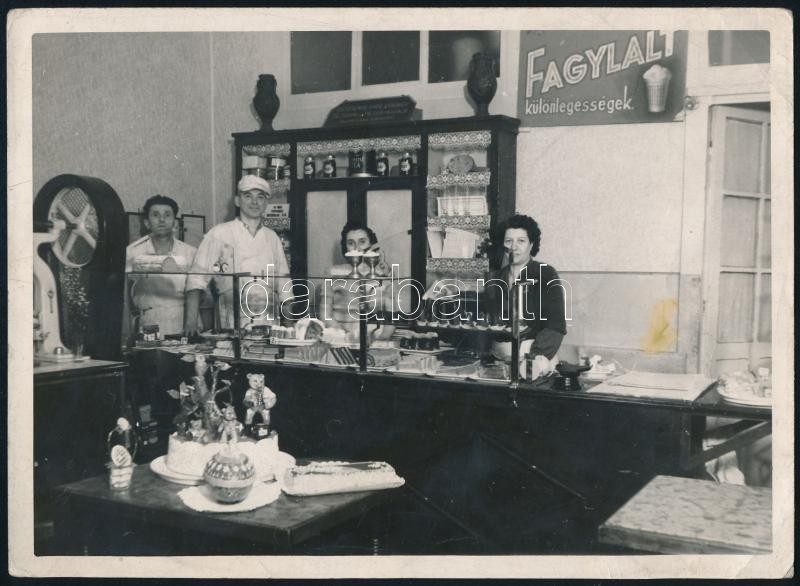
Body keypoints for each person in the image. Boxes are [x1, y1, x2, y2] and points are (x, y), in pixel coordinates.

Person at [183, 175, 291, 334]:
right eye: (248, 196)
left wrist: (290, 328)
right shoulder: (219, 234)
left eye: (260, 197)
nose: (254, 202)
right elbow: (196, 279)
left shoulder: (272, 237)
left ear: (266, 204)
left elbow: (284, 286)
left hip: (268, 319)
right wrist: (191, 323)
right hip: (231, 318)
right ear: (237, 201)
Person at [484, 213, 567, 365]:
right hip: (498, 361)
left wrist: (533, 360)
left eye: (521, 241)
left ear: (532, 244)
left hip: (535, 359)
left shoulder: (546, 274)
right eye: (508, 241)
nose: (513, 247)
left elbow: (555, 327)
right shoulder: (494, 278)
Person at [125, 194, 197, 336]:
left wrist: (191, 323)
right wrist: (126, 330)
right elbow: (124, 292)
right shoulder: (133, 252)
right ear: (147, 223)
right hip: (149, 321)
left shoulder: (190, 252)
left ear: (175, 222)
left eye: (167, 215)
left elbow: (195, 289)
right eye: (156, 215)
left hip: (183, 323)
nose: (162, 220)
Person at [320, 221, 395, 341]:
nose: (357, 248)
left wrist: (380, 340)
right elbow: (325, 315)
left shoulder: (384, 275)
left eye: (362, 242)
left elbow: (391, 320)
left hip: (374, 340)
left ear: (372, 245)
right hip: (340, 340)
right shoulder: (333, 272)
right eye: (350, 243)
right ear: (345, 247)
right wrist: (343, 336)